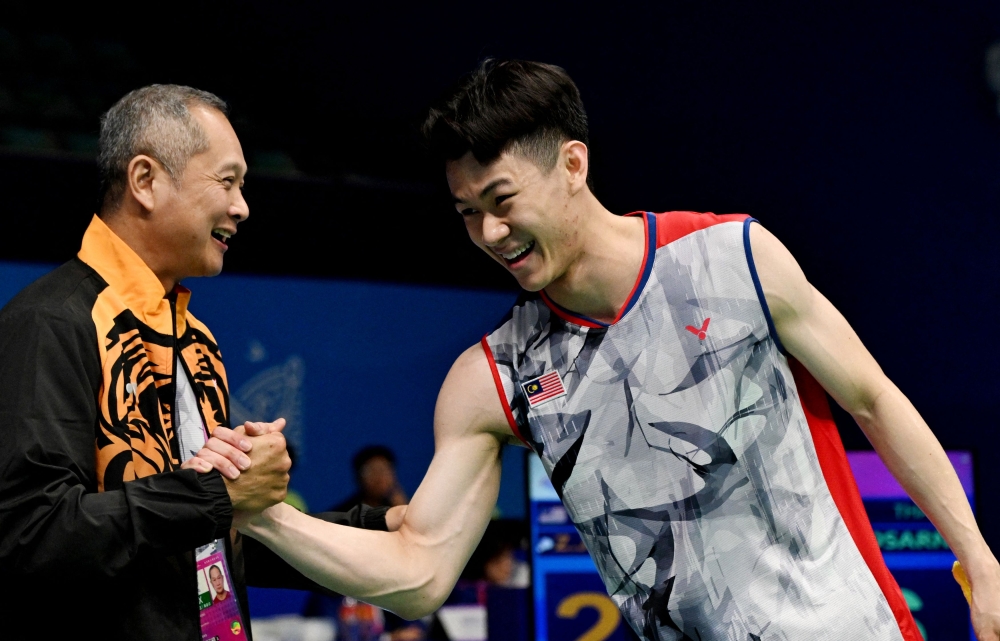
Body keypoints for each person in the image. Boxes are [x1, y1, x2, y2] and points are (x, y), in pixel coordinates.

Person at [220, 60, 1000, 640]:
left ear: (572, 165)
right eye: (465, 213)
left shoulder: (734, 258)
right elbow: (420, 570)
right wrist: (258, 518)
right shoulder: (496, 376)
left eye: (502, 201)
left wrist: (980, 557)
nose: (489, 234)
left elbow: (873, 398)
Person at [0, 84, 396, 641]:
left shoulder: (196, 339)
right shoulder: (50, 322)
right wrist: (215, 493)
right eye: (227, 181)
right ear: (145, 181)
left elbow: (206, 539)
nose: (242, 206)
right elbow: (30, 534)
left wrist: (382, 527)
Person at [331, 445, 408, 512]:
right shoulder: (344, 515)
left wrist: (402, 510)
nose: (379, 478)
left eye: (384, 470)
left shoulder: (403, 507)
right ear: (358, 477)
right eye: (372, 471)